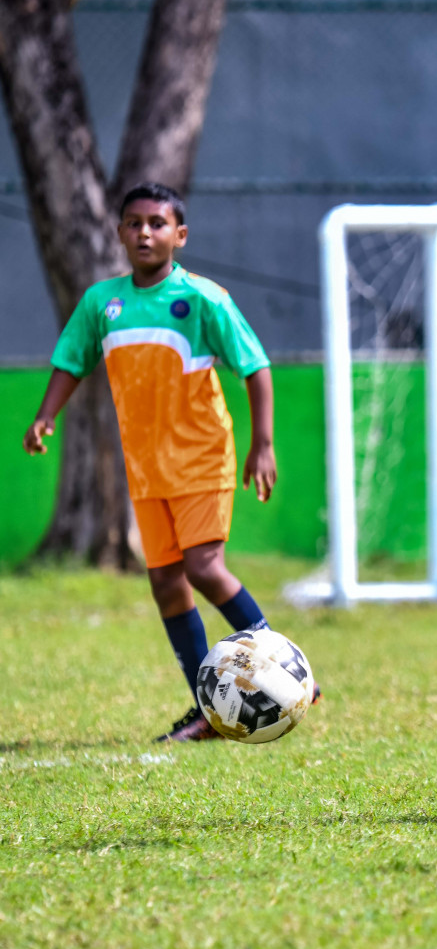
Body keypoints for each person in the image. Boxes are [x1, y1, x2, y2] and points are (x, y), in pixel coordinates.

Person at [23, 182, 310, 742]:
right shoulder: (101, 302)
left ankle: (283, 669)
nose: (145, 232)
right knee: (166, 583)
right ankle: (207, 707)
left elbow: (255, 366)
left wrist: (264, 443)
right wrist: (45, 415)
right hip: (147, 467)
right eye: (134, 223)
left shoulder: (204, 298)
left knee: (203, 567)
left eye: (157, 223)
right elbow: (70, 361)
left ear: (179, 234)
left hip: (203, 455)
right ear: (120, 233)